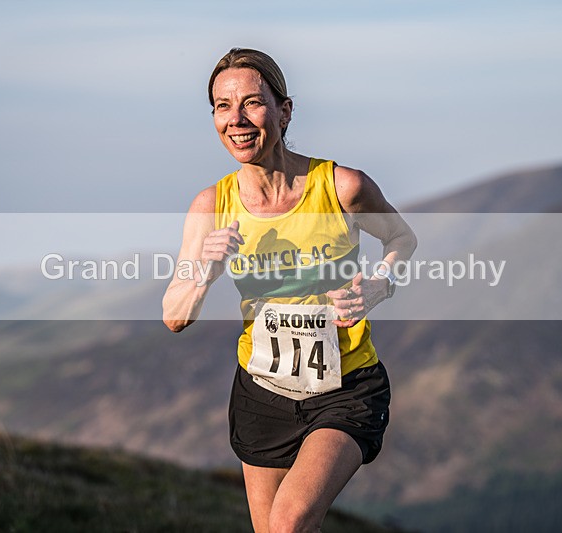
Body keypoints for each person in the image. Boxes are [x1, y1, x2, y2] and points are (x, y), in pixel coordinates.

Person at [163, 48, 416, 533]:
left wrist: (382, 283)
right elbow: (174, 315)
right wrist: (206, 272)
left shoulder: (343, 187)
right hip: (262, 393)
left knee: (290, 522)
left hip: (344, 386)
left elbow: (402, 238)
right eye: (221, 106)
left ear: (284, 109)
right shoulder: (211, 206)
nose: (235, 119)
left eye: (252, 103)